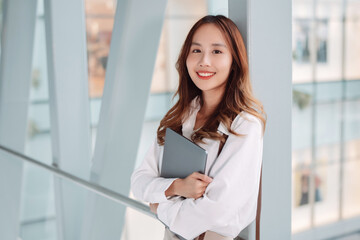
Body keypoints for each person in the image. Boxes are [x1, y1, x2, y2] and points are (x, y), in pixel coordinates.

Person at [131, 15, 266, 240]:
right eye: (196, 51)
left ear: (234, 61)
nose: (204, 61)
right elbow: (139, 182)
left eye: (216, 51)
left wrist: (160, 206)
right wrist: (176, 187)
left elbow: (217, 210)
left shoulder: (245, 125)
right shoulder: (181, 114)